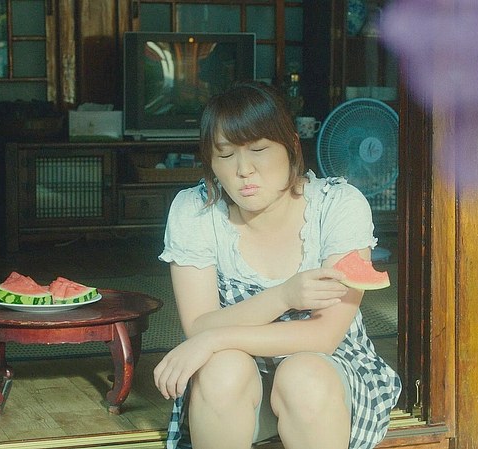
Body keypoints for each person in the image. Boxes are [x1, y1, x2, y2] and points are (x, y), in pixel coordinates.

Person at [154, 81, 401, 449]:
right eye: (225, 154)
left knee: (304, 376)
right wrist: (284, 296)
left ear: (292, 146)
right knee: (221, 370)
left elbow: (323, 336)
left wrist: (215, 337)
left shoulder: (338, 205)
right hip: (239, 381)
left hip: (328, 373)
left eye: (258, 149)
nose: (243, 170)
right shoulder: (195, 209)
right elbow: (198, 325)